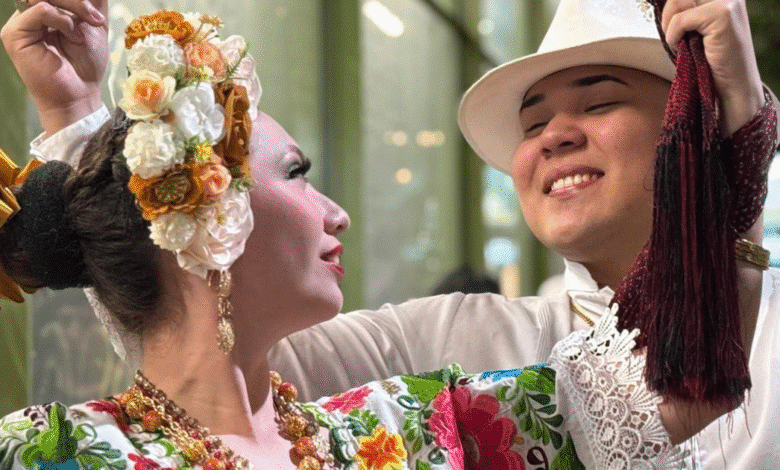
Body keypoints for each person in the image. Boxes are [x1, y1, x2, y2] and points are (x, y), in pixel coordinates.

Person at [4, 0, 778, 468]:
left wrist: (735, 123)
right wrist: (81, 128)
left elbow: (687, 381)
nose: (554, 137)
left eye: (599, 102)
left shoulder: (399, 425)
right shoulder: (48, 450)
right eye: (298, 172)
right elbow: (181, 340)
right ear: (208, 221)